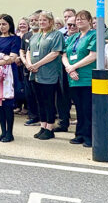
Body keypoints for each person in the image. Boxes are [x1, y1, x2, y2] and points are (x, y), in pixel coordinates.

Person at [23, 11, 64, 141]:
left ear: (51, 22)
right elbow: (28, 51)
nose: (41, 22)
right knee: (39, 102)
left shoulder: (56, 35)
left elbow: (55, 53)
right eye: (39, 20)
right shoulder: (35, 36)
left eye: (44, 20)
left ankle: (49, 128)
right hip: (35, 74)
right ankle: (43, 126)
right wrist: (29, 64)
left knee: (49, 102)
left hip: (49, 74)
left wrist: (37, 64)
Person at [63, 10, 97, 147]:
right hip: (73, 78)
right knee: (79, 109)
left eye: (83, 19)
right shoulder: (73, 37)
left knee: (88, 109)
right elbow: (64, 55)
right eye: (77, 19)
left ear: (90, 21)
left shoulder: (94, 35)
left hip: (87, 78)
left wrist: (74, 67)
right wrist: (69, 68)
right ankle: (80, 134)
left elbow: (93, 55)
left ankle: (89, 136)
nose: (79, 21)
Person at [0, 15, 21, 142]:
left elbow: (12, 59)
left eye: (4, 24)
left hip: (8, 75)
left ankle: (9, 133)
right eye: (0, 24)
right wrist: (2, 56)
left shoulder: (15, 39)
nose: (1, 27)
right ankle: (3, 132)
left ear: (10, 25)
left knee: (7, 105)